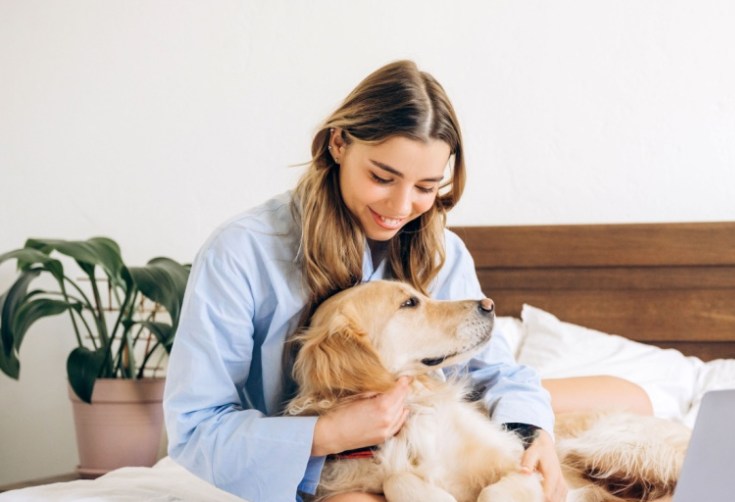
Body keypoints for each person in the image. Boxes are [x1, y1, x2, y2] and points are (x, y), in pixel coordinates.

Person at [164, 60, 575, 502]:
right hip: (333, 476)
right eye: (382, 177)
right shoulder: (240, 253)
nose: (400, 206)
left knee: (625, 399)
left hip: (431, 447)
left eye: (426, 186)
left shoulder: (443, 252)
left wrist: (531, 432)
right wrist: (325, 434)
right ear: (338, 143)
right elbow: (195, 427)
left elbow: (493, 372)